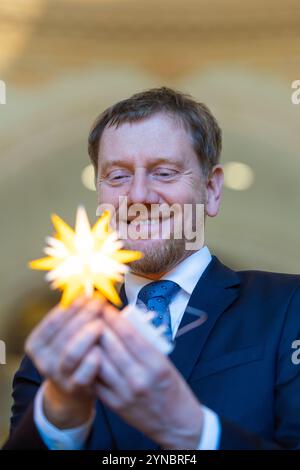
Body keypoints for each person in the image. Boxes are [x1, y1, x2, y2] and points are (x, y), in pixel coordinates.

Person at [3, 87, 300, 450]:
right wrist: (60, 418)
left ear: (211, 189)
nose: (139, 196)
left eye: (164, 172)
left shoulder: (289, 307)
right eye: (118, 177)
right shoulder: (61, 339)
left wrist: (193, 431)